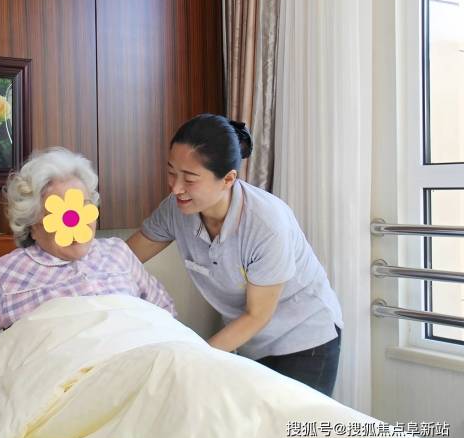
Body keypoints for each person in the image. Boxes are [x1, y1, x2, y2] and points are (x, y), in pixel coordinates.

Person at [0, 147, 176, 404]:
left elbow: (166, 315)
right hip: (67, 402)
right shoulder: (9, 275)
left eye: (82, 205)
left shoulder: (118, 253)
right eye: (59, 211)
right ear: (32, 222)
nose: (74, 219)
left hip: (144, 388)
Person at [126, 114, 343, 396]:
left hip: (305, 339)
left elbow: (256, 315)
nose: (176, 188)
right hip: (251, 342)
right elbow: (124, 259)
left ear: (228, 179)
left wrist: (194, 358)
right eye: (171, 172)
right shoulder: (176, 210)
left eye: (189, 178)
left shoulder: (266, 224)